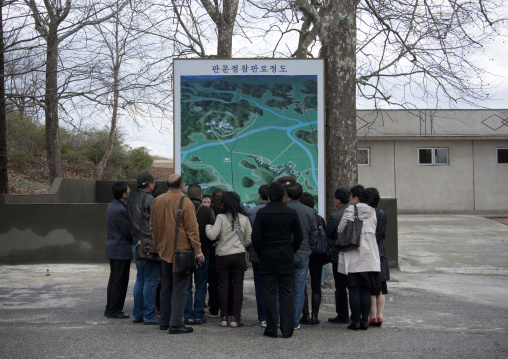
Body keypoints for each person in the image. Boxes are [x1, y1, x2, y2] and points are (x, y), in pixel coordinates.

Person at [150, 174, 204, 335]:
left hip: (164, 252)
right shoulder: (185, 201)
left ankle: (164, 322)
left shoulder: (157, 200)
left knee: (166, 288)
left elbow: (152, 226)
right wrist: (198, 251)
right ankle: (176, 324)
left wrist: (160, 246)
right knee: (180, 290)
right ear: (182, 186)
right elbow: (192, 230)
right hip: (182, 253)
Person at [252, 182, 303, 338]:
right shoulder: (291, 212)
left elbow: (255, 237)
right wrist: (291, 249)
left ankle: (271, 328)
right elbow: (299, 237)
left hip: (267, 256)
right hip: (286, 256)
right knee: (287, 293)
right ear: (283, 195)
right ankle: (287, 330)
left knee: (269, 293)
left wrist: (261, 251)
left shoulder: (262, 213)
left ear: (268, 196)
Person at [205, 192, 252, 328]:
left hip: (222, 255)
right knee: (238, 287)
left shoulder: (220, 217)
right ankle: (235, 318)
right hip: (238, 255)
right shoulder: (244, 218)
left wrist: (208, 227)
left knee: (223, 286)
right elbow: (249, 238)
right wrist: (242, 246)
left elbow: (212, 235)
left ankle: (224, 317)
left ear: (224, 202)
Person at [337, 185, 380, 330]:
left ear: (356, 198)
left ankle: (355, 321)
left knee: (354, 289)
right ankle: (364, 321)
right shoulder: (372, 211)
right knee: (366, 289)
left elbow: (341, 229)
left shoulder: (351, 210)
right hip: (369, 255)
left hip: (354, 253)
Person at [127, 171, 160, 325]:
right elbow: (158, 220)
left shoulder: (131, 198)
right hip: (149, 245)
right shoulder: (149, 199)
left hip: (135, 243)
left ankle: (137, 314)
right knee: (151, 280)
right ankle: (149, 315)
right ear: (149, 184)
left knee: (140, 279)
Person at [284, 183, 318, 330]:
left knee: (284, 288)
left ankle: (284, 318)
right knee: (299, 289)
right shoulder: (310, 212)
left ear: (287, 194)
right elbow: (314, 234)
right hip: (303, 254)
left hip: (285, 254)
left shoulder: (284, 209)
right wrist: (310, 248)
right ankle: (295, 321)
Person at [184, 184, 215, 325]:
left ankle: (188, 314)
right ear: (201, 196)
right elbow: (213, 233)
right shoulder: (208, 211)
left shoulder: (183, 208)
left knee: (187, 284)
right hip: (204, 252)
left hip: (185, 253)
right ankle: (199, 314)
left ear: (187, 196)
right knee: (201, 284)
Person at [104, 181, 132, 319]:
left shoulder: (112, 206)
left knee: (114, 280)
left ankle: (110, 308)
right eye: (128, 189)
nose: (130, 190)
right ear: (124, 194)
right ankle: (115, 310)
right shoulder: (120, 209)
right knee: (119, 281)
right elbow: (127, 232)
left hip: (114, 248)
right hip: (120, 250)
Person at [298, 192, 324, 325]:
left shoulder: (300, 216)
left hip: (302, 252)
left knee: (301, 284)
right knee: (316, 285)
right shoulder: (319, 218)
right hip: (317, 254)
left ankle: (305, 315)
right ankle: (315, 315)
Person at [325, 187, 351, 324]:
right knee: (353, 286)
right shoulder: (353, 214)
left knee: (340, 287)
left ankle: (342, 314)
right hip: (353, 254)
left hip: (338, 254)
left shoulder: (334, 217)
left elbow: (328, 235)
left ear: (338, 200)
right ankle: (356, 313)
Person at [366, 187, 390, 327]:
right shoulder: (382, 213)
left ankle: (372, 316)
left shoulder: (368, 214)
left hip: (370, 251)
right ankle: (380, 316)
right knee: (381, 287)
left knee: (371, 288)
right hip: (381, 250)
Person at [246, 184, 269, 328]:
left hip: (256, 253)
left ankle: (263, 317)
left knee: (260, 286)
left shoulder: (251, 211)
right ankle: (274, 314)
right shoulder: (277, 210)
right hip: (274, 255)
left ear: (259, 196)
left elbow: (249, 235)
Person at [206, 189, 224, 317]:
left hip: (212, 248)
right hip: (224, 249)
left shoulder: (209, 211)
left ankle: (214, 307)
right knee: (224, 280)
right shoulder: (226, 212)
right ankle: (226, 308)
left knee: (212, 280)